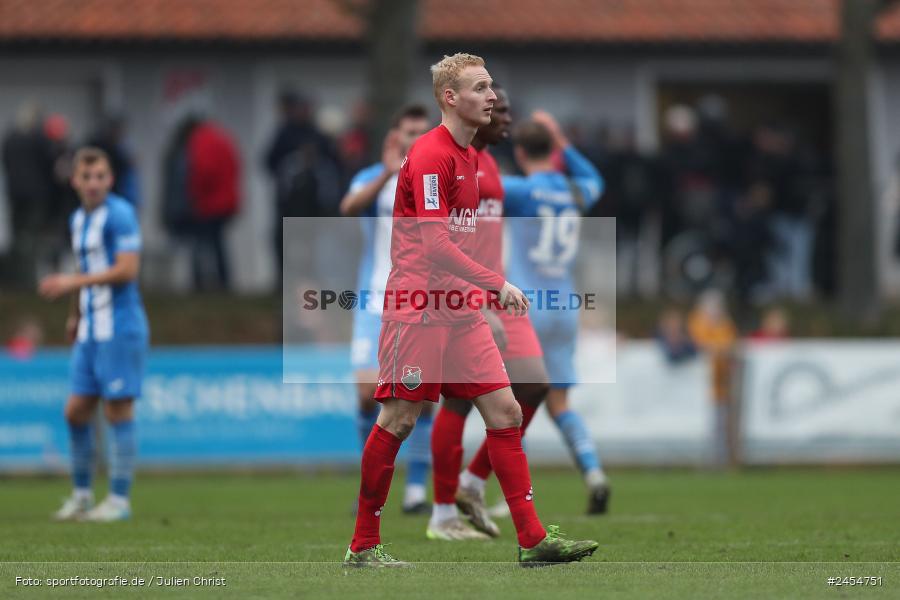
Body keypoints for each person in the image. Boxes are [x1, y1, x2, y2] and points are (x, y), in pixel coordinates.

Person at [342, 53, 598, 568]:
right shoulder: (433, 154)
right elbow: (435, 245)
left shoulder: (469, 158)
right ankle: (363, 545)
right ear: (450, 98)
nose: (492, 97)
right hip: (417, 307)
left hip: (458, 308)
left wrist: (480, 296)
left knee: (505, 410)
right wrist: (496, 284)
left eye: (491, 88)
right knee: (396, 419)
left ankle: (532, 539)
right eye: (480, 88)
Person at [426, 85, 551, 541]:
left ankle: (471, 483)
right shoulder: (450, 162)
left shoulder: (491, 161)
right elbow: (447, 243)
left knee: (534, 385)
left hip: (498, 292)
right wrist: (477, 299)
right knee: (456, 401)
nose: (507, 118)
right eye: (499, 109)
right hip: (467, 296)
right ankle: (442, 514)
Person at [499, 111, 610, 513]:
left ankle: (515, 495)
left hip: (525, 305)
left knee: (508, 404)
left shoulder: (519, 190)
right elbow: (597, 179)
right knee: (560, 405)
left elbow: (477, 187)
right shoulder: (576, 191)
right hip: (564, 305)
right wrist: (563, 140)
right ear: (555, 151)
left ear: (521, 152)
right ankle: (594, 472)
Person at [39, 147, 148, 522]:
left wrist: (72, 282)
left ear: (110, 179)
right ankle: (82, 496)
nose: (94, 183)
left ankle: (119, 501)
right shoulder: (77, 220)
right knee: (75, 411)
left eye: (100, 176)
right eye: (87, 177)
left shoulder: (120, 215)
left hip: (119, 326)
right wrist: (75, 314)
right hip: (90, 328)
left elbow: (127, 270)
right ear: (75, 182)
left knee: (118, 410)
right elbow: (87, 269)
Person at [340, 105, 433, 515]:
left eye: (421, 131)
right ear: (395, 136)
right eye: (409, 131)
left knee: (422, 399)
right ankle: (371, 483)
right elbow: (347, 207)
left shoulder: (433, 178)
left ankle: (415, 490)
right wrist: (386, 172)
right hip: (374, 299)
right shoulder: (375, 178)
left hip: (421, 303)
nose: (415, 138)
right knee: (365, 393)